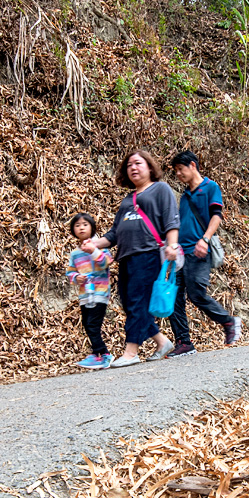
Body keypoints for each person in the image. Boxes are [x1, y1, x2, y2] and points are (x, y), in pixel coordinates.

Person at [82, 150, 180, 367]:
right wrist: (94, 244)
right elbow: (114, 234)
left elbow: (171, 221)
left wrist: (172, 245)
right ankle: (162, 342)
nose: (133, 168)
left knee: (137, 302)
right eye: (129, 166)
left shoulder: (160, 189)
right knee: (129, 303)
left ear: (150, 167)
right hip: (126, 257)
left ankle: (131, 351)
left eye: (138, 163)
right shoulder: (128, 199)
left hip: (148, 254)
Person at [166, 151, 240, 355]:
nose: (179, 174)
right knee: (174, 298)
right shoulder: (185, 195)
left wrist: (205, 239)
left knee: (197, 294)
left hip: (198, 251)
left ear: (192, 165)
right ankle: (184, 342)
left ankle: (228, 321)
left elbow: (216, 216)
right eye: (176, 172)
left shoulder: (210, 187)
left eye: (180, 169)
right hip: (181, 253)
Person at [65, 212, 113, 369]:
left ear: (92, 227)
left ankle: (104, 354)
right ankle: (96, 354)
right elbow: (70, 271)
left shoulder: (100, 247)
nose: (81, 228)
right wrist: (76, 277)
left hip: (99, 292)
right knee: (87, 323)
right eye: (77, 225)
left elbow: (106, 262)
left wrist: (93, 250)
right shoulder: (75, 253)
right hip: (85, 294)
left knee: (93, 324)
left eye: (85, 224)